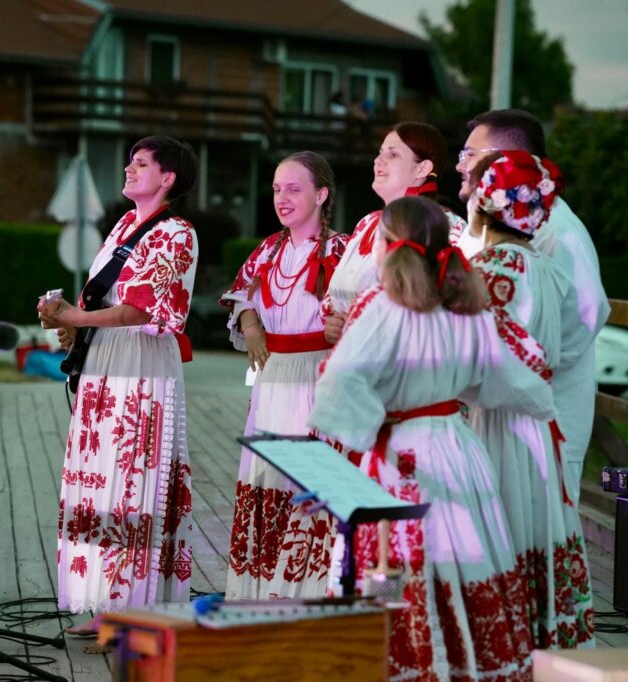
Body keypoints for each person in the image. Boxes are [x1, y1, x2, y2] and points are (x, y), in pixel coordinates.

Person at [310, 195, 557, 681]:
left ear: (384, 244)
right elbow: (503, 378)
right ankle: (467, 662)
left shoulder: (380, 306)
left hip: (401, 455)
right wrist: (543, 404)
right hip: (458, 450)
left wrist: (365, 427)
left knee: (394, 561)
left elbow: (341, 382)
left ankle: (403, 664)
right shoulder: (466, 306)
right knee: (465, 557)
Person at [37, 136, 198, 636]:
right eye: (130, 160)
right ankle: (109, 602)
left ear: (167, 178)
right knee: (103, 478)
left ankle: (137, 608)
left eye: (141, 163)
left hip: (142, 360)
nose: (129, 168)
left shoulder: (177, 233)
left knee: (134, 481)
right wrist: (72, 323)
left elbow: (142, 307)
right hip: (108, 359)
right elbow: (108, 299)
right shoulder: (126, 225)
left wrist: (78, 315)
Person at [465, 151, 595, 649]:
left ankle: (502, 643)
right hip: (539, 427)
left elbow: (473, 361)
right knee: (537, 518)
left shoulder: (483, 270)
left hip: (493, 421)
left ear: (485, 204)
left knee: (502, 516)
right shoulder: (545, 269)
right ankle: (541, 635)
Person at [455, 108, 610, 501]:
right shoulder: (487, 225)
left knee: (532, 532)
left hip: (541, 415)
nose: (460, 165)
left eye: (469, 154)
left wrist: (518, 370)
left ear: (504, 158)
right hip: (489, 409)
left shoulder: (559, 231)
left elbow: (589, 313)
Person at [220, 151, 349, 600]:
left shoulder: (342, 251)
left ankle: (308, 591)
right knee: (266, 477)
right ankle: (262, 589)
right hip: (273, 379)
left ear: (322, 194)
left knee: (307, 480)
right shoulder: (269, 249)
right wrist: (252, 325)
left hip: (318, 377)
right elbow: (241, 295)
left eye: (294, 188)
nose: (282, 197)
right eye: (277, 188)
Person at [322, 122, 466, 348]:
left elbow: (452, 304)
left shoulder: (444, 226)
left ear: (422, 168)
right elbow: (334, 298)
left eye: (393, 155)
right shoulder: (367, 224)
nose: (378, 161)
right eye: (379, 154)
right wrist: (332, 323)